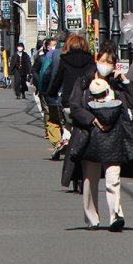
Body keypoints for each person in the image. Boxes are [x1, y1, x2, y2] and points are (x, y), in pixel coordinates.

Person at [69, 40, 133, 231]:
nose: (105, 65)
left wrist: (125, 81)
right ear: (96, 59)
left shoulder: (117, 83)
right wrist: (93, 120)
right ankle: (92, 218)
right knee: (89, 180)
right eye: (103, 60)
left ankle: (116, 215)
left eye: (110, 62)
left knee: (113, 178)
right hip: (91, 136)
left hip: (114, 137)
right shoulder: (84, 81)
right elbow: (74, 106)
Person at [51, 34, 96, 183]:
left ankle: (66, 140)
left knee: (69, 126)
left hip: (68, 104)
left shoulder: (64, 60)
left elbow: (57, 79)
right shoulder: (90, 60)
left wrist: (51, 93)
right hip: (86, 104)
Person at [37, 37, 63, 153]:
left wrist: (42, 89)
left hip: (54, 93)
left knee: (54, 120)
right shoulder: (85, 55)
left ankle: (57, 143)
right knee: (69, 120)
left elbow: (45, 73)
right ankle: (68, 141)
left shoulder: (51, 54)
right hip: (74, 94)